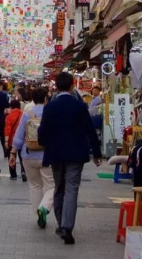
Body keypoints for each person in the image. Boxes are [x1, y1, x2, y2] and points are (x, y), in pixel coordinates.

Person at [38, 72, 103, 245]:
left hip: (56, 155)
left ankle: (61, 225)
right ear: (72, 85)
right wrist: (96, 153)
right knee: (72, 189)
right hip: (75, 154)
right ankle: (67, 227)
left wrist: (47, 145)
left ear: (56, 87)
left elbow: (42, 133)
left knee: (59, 187)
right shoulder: (79, 106)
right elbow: (90, 131)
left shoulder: (49, 108)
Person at [11, 87, 55, 229]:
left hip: (28, 154)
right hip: (47, 155)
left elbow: (19, 135)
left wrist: (12, 153)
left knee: (35, 185)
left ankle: (38, 214)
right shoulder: (50, 113)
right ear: (45, 99)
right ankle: (44, 208)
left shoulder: (27, 114)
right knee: (51, 186)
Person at [4, 100, 26, 181]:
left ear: (11, 107)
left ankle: (13, 175)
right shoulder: (23, 114)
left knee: (12, 156)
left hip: (12, 140)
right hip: (22, 139)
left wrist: (6, 141)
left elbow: (7, 130)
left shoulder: (9, 116)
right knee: (22, 157)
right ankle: (24, 172)